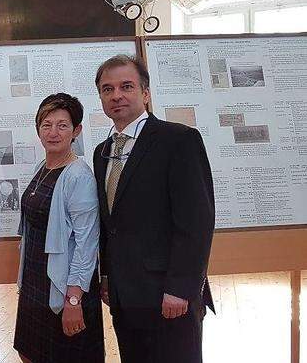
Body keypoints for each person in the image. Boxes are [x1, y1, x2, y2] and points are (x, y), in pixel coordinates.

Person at [92, 55, 215, 363]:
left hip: (168, 294)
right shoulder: (102, 152)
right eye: (108, 89)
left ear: (145, 93)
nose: (116, 95)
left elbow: (196, 222)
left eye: (126, 86)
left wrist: (180, 288)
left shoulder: (178, 140)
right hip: (124, 294)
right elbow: (110, 224)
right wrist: (107, 276)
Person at [13, 93, 104, 363]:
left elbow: (87, 243)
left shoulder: (78, 175)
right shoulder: (44, 167)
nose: (53, 132)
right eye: (46, 124)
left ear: (76, 130)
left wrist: (73, 300)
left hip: (64, 289)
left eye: (62, 125)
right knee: (29, 353)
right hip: (35, 282)